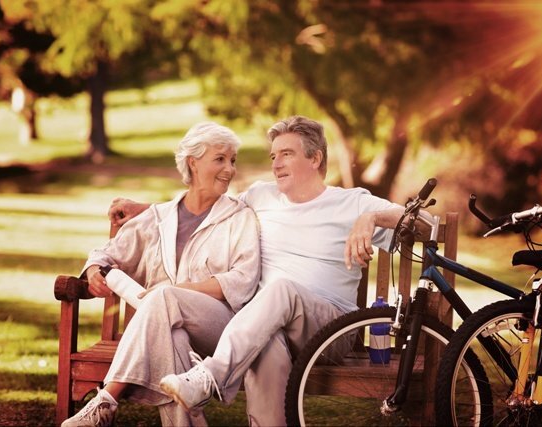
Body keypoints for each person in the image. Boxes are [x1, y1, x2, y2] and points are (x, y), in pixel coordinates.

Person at [110, 115, 429, 426]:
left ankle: (210, 377)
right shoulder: (261, 196)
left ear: (315, 158)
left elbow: (423, 223)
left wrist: (370, 219)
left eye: (286, 154)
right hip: (266, 325)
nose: (276, 164)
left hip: (330, 330)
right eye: (273, 156)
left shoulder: (352, 202)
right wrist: (145, 209)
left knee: (281, 289)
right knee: (267, 342)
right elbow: (205, 202)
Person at [61, 122, 261, 427]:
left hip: (221, 331)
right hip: (165, 330)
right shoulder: (158, 218)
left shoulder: (239, 217)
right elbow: (105, 254)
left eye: (232, 160)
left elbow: (242, 281)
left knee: (166, 295)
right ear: (193, 162)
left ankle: (107, 399)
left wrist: (181, 290)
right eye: (219, 159)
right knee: (173, 338)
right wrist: (92, 270)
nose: (229, 169)